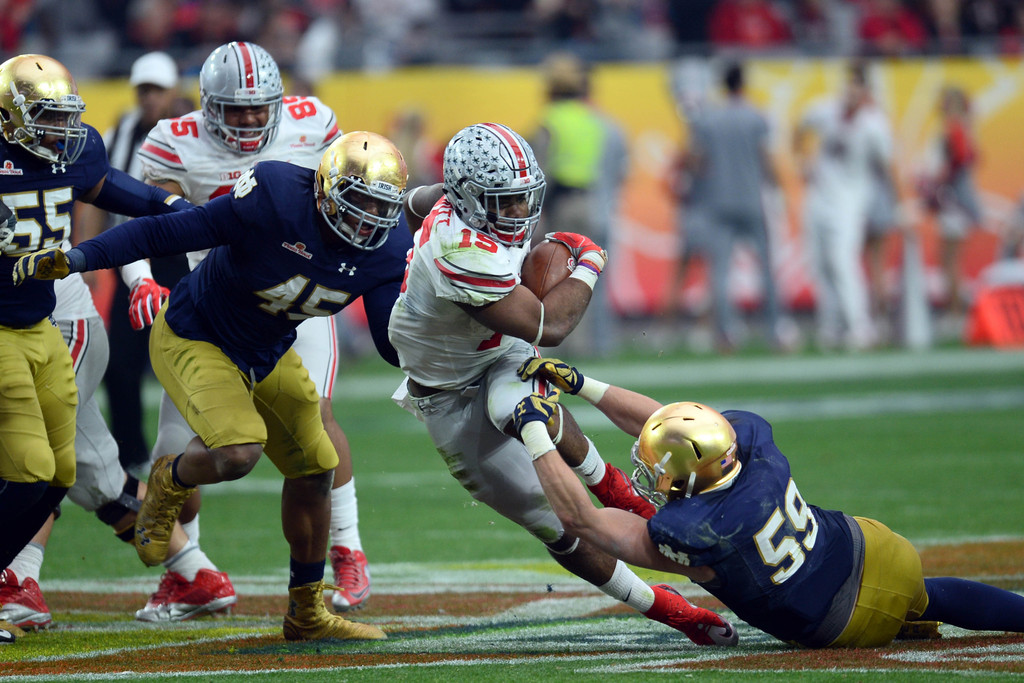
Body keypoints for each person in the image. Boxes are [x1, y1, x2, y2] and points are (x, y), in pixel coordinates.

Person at [13, 130, 411, 642]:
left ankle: (306, 612)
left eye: (381, 208)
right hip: (195, 333)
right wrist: (80, 258)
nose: (367, 220)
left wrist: (457, 353)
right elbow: (169, 232)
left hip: (266, 351)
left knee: (317, 469)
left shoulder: (389, 245)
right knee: (239, 452)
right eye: (358, 203)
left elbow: (388, 340)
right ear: (326, 190)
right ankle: (169, 477)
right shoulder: (275, 197)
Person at [389, 122, 736, 648]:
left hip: (497, 350)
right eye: (503, 203)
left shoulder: (452, 202)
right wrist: (591, 263)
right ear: (469, 200)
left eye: (522, 199)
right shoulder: (459, 251)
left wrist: (412, 198)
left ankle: (624, 496)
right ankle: (668, 609)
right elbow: (548, 326)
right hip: (446, 394)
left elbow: (419, 202)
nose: (518, 214)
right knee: (557, 527)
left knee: (526, 406)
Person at [512, 356, 1024, 648]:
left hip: (844, 619)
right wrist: (582, 384)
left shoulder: (696, 534)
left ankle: (906, 620)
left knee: (896, 612)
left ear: (689, 481)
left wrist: (534, 431)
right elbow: (672, 420)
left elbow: (581, 518)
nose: (651, 473)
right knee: (928, 594)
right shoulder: (748, 447)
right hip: (882, 548)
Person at [134, 41, 373, 619]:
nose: (246, 120)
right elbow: (139, 216)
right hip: (210, 305)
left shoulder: (313, 122)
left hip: (294, 299)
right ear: (208, 106)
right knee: (174, 449)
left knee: (316, 417)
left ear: (279, 101)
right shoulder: (172, 140)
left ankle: (347, 549)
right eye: (234, 110)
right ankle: (187, 572)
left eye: (257, 108)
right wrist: (141, 277)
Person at [0, 53, 193, 615]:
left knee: (60, 472)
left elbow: (113, 189)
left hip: (43, 323)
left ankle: (14, 580)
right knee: (31, 469)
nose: (61, 132)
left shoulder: (76, 149)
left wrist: (173, 205)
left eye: (65, 118)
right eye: (46, 118)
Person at [74, 51, 192, 476]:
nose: (149, 98)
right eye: (144, 89)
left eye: (157, 89)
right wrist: (88, 250)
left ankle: (192, 451)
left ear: (172, 90)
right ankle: (132, 455)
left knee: (187, 358)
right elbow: (96, 193)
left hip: (184, 257)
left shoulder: (190, 131)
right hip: (134, 257)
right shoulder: (118, 132)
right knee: (121, 362)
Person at [684, 61, 789, 352]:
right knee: (766, 268)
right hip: (751, 199)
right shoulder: (756, 117)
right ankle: (776, 331)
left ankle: (727, 334)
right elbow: (765, 157)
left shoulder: (709, 119)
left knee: (720, 271)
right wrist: (778, 189)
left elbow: (695, 161)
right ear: (744, 83)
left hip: (719, 201)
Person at [794, 60, 897, 351]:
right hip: (819, 195)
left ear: (865, 91)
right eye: (849, 84)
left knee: (843, 261)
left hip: (850, 200)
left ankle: (860, 326)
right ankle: (831, 325)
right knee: (819, 263)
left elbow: (889, 168)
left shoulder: (874, 125)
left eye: (857, 85)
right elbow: (800, 127)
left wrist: (900, 206)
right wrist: (802, 161)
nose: (851, 91)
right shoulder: (826, 110)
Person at [531, 52, 628, 358]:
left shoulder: (550, 121)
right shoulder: (594, 121)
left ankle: (557, 345)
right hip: (592, 200)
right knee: (589, 276)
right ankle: (592, 346)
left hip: (562, 203)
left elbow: (539, 171)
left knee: (555, 277)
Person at [919, 85, 985, 324]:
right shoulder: (962, 128)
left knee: (950, 260)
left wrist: (934, 184)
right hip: (955, 200)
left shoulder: (955, 128)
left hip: (955, 202)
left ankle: (956, 312)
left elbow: (959, 161)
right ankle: (955, 308)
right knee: (948, 259)